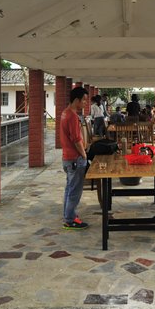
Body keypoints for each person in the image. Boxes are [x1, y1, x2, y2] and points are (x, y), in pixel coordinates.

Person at [60, 86, 89, 230]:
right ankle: (70, 220)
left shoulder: (65, 113)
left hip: (67, 158)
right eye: (84, 100)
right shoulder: (71, 116)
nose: (85, 103)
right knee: (75, 191)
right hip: (75, 158)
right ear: (77, 100)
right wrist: (84, 154)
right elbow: (76, 139)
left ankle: (68, 215)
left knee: (69, 188)